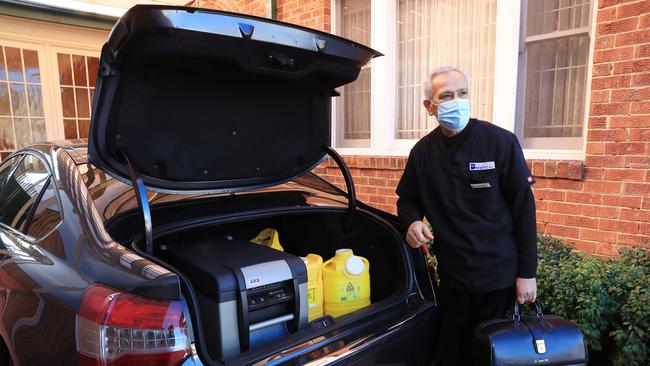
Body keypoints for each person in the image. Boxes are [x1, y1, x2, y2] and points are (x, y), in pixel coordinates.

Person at [395, 66, 538, 366]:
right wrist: (412, 221)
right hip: (453, 280)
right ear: (429, 107)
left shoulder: (500, 142)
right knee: (453, 355)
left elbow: (524, 211)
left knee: (494, 357)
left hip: (499, 280)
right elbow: (407, 199)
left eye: (462, 93)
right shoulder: (422, 153)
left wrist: (527, 274)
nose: (456, 101)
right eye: (446, 96)